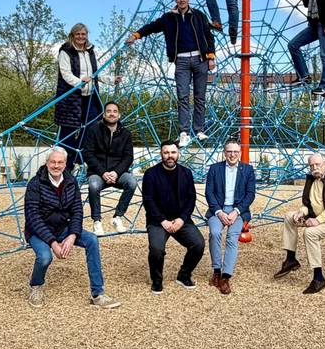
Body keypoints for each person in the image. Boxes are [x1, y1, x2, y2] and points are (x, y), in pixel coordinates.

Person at [22, 147, 121, 309]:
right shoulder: (35, 184)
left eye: (60, 162)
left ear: (65, 163)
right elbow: (33, 217)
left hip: (64, 227)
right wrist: (53, 243)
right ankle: (36, 285)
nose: (56, 165)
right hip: (39, 231)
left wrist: (73, 235)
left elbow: (77, 210)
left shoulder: (70, 181)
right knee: (45, 257)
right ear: (46, 163)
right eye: (52, 162)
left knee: (92, 240)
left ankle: (98, 293)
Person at [126, 0, 216, 147]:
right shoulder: (168, 18)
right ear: (176, 0)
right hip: (181, 60)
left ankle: (199, 129)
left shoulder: (198, 15)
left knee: (200, 96)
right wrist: (136, 35)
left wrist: (210, 57)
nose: (181, 0)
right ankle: (184, 132)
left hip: (200, 58)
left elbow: (209, 36)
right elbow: (152, 27)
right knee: (182, 96)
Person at [272, 153, 325, 294]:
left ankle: (318, 277)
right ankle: (291, 259)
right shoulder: (312, 179)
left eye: (317, 164)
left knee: (310, 233)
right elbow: (310, 204)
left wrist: (317, 220)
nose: (314, 168)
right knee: (289, 217)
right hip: (316, 216)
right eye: (311, 165)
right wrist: (302, 212)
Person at [140, 140, 206, 294]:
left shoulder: (186, 173)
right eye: (166, 152)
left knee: (198, 244)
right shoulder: (151, 174)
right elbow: (148, 201)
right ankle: (157, 280)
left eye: (173, 152)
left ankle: (184, 275)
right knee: (156, 249)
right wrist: (163, 221)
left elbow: (191, 199)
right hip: (158, 220)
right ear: (161, 154)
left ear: (178, 154)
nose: (170, 156)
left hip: (180, 219)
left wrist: (182, 219)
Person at [204, 141, 256, 295]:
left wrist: (236, 211)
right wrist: (219, 212)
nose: (232, 155)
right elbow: (209, 193)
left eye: (235, 151)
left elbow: (250, 194)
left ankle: (226, 277)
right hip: (218, 209)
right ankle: (217, 271)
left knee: (232, 237)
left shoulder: (247, 170)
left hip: (237, 210)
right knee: (214, 233)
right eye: (229, 151)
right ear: (224, 153)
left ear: (239, 153)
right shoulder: (215, 169)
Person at [81, 101, 137, 236]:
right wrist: (103, 172)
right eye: (109, 111)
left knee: (132, 182)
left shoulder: (126, 133)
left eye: (115, 111)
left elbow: (128, 157)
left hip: (118, 173)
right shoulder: (94, 130)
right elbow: (88, 154)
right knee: (93, 185)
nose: (112, 114)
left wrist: (116, 173)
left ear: (119, 115)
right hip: (97, 172)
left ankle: (117, 217)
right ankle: (97, 221)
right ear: (104, 114)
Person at [55, 23, 103, 174]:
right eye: (78, 34)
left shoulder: (90, 51)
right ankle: (64, 167)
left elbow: (96, 73)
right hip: (72, 98)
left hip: (90, 97)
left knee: (91, 128)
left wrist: (111, 79)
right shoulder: (66, 51)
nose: (81, 37)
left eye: (83, 34)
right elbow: (65, 73)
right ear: (72, 35)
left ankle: (77, 159)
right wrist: (80, 82)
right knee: (67, 132)